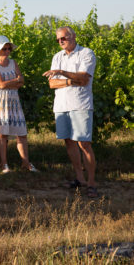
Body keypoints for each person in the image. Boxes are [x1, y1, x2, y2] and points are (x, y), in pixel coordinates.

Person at [43, 26, 98, 198]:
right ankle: (80, 179)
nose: (60, 41)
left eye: (63, 38)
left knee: (84, 143)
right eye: (58, 39)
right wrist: (69, 81)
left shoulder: (86, 54)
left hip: (80, 104)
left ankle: (91, 183)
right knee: (68, 142)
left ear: (73, 36)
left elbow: (83, 78)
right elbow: (52, 84)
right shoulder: (57, 57)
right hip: (61, 105)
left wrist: (61, 73)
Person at [0, 36, 37, 173]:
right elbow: (3, 84)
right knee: (2, 133)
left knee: (21, 133)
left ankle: (25, 163)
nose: (8, 51)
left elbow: (21, 83)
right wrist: (15, 80)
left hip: (14, 100)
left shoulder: (13, 63)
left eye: (9, 48)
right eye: (5, 48)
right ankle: (3, 164)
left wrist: (6, 84)